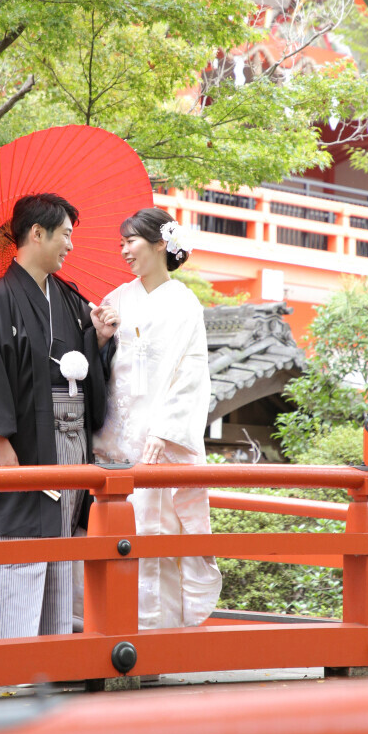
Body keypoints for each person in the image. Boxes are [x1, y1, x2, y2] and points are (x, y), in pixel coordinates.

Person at [0, 193, 119, 640]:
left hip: (69, 437)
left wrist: (101, 340)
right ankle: (1, 656)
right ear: (36, 233)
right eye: (65, 234)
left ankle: (48, 655)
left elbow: (83, 363)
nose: (70, 245)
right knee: (21, 537)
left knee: (61, 540)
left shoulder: (69, 299)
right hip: (23, 440)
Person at [93, 207, 222, 629]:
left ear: (161, 243)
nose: (124, 251)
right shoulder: (116, 299)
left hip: (159, 441)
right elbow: (97, 370)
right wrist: (98, 339)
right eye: (122, 243)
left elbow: (192, 374)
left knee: (160, 533)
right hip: (113, 436)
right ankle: (106, 630)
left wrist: (166, 431)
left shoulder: (185, 303)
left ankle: (157, 637)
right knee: (111, 533)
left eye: (131, 241)